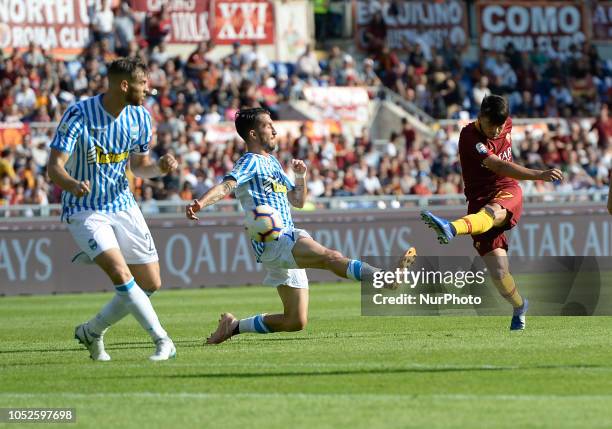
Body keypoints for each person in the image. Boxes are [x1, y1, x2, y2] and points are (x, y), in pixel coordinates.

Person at [186, 108, 415, 344]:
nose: (274, 130)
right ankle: (385, 278)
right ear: (253, 134)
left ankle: (233, 327)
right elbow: (227, 186)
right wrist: (200, 203)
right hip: (275, 240)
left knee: (295, 321)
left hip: (280, 242)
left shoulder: (272, 163)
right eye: (268, 126)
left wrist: (300, 177)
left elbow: (298, 200)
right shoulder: (250, 161)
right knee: (330, 256)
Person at [47, 57, 178, 361]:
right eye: (143, 84)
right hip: (84, 208)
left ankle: (91, 331)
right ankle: (162, 341)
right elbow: (54, 167)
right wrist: (71, 184)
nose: (148, 89)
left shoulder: (141, 117)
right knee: (121, 273)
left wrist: (158, 167)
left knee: (150, 282)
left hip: (122, 204)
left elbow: (139, 166)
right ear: (124, 85)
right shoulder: (79, 114)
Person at [420, 95, 563, 331]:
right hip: (477, 202)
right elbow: (499, 165)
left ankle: (451, 228)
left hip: (507, 190)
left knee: (493, 212)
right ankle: (520, 306)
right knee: (499, 272)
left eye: (500, 125)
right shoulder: (469, 137)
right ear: (479, 117)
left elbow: (504, 172)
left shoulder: (505, 122)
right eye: (491, 125)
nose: (496, 131)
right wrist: (539, 174)